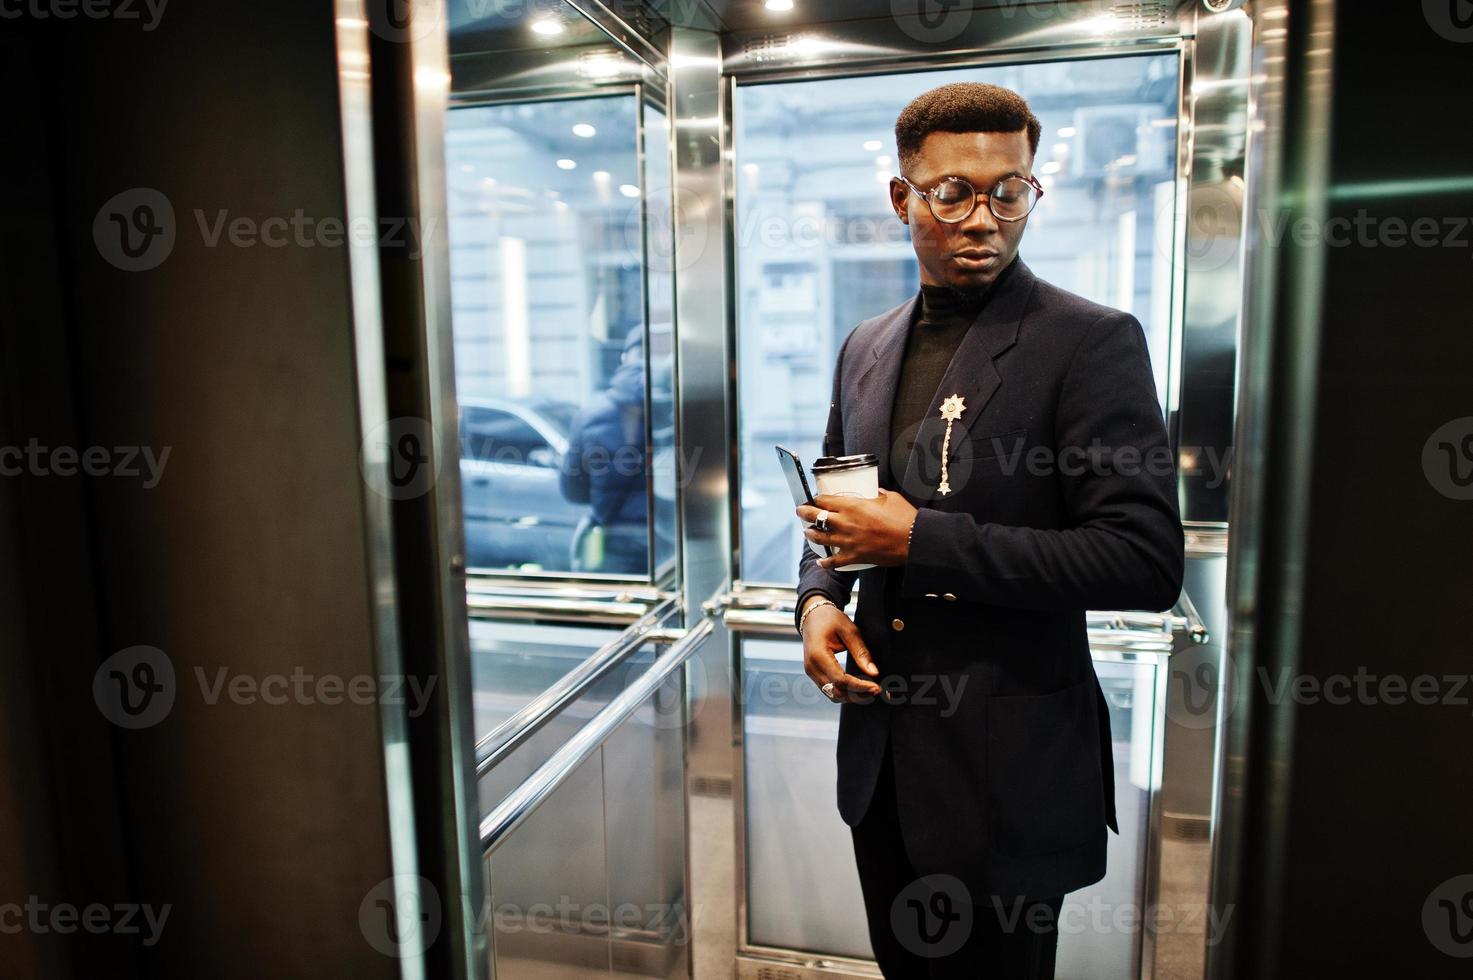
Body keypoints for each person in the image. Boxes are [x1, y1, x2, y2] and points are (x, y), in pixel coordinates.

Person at [793, 82, 1184, 978]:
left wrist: (917, 541)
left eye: (1010, 191)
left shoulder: (1088, 341)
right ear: (902, 199)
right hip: (884, 761)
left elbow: (1143, 560)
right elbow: (832, 512)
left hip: (1006, 769)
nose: (984, 218)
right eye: (952, 193)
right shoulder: (865, 344)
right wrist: (816, 604)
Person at [561, 326, 649, 574]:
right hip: (676, 545)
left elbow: (573, 490)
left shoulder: (591, 414)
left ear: (625, 358)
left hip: (615, 542)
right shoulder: (687, 409)